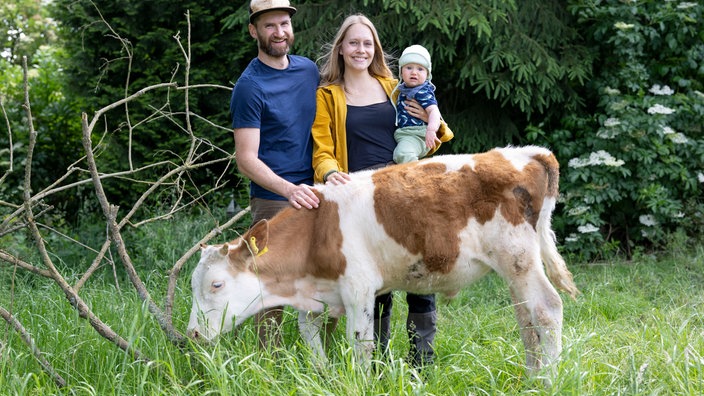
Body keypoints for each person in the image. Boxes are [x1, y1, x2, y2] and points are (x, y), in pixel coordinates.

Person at [312, 14, 452, 368]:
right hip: (363, 203)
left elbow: (436, 134)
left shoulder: (395, 86)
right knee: (375, 283)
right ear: (341, 48)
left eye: (367, 43)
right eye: (354, 42)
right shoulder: (327, 96)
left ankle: (423, 363)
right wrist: (329, 174)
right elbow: (322, 151)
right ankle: (378, 362)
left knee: (420, 276)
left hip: (407, 193)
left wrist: (426, 119)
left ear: (375, 49)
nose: (361, 49)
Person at [230, 0, 320, 349]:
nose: (279, 32)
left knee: (319, 279)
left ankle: (320, 355)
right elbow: (246, 159)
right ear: (254, 31)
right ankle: (270, 364)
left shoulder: (308, 70)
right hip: (273, 199)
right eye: (270, 26)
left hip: (316, 192)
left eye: (284, 23)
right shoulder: (250, 87)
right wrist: (289, 189)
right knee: (270, 289)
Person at [392, 44, 453, 164]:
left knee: (402, 154)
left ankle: (416, 176)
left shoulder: (422, 91)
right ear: (401, 71)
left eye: (420, 69)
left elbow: (434, 111)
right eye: (409, 68)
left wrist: (431, 130)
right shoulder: (402, 89)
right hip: (405, 134)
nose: (414, 72)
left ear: (427, 74)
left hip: (418, 134)